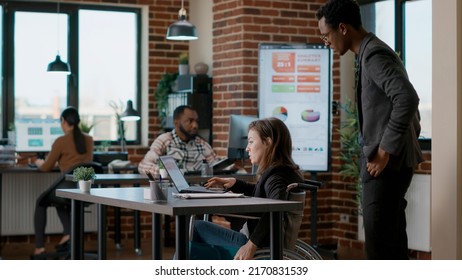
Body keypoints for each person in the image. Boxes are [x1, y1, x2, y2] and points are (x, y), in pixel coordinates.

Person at [316, 0, 423, 259]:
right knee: (392, 246)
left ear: (342, 28)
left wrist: (385, 150)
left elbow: (407, 98)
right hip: (391, 164)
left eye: (326, 35)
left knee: (380, 250)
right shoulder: (368, 51)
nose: (325, 42)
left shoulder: (373, 54)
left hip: (385, 166)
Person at [190, 117, 304, 260]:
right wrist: (235, 183)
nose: (246, 148)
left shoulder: (276, 178)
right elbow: (263, 193)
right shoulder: (283, 172)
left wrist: (251, 245)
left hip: (259, 245)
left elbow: (276, 210)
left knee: (197, 227)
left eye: (251, 142)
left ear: (268, 142)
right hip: (263, 242)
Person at [32, 106, 94, 258]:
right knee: (59, 198)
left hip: (68, 187)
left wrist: (36, 162)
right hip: (85, 188)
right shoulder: (89, 139)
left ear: (63, 121)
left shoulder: (61, 141)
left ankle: (39, 248)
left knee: (42, 201)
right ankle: (68, 233)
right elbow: (84, 162)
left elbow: (46, 167)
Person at [138, 105, 218, 174]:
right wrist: (168, 173)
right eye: (190, 121)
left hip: (199, 189)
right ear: (176, 123)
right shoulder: (164, 140)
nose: (195, 125)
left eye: (196, 121)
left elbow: (216, 167)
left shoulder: (202, 144)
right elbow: (144, 165)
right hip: (172, 189)